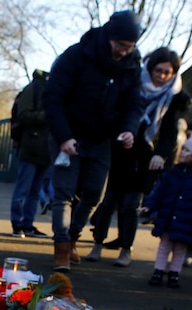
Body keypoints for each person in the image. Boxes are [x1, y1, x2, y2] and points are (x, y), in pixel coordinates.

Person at [42, 10, 144, 271]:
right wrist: (64, 137)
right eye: (120, 45)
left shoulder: (132, 64)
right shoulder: (77, 55)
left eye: (130, 47)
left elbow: (134, 103)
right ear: (109, 37)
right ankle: (61, 248)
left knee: (94, 194)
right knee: (63, 194)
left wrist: (129, 129)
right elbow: (53, 97)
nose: (124, 51)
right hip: (69, 132)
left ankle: (74, 237)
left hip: (101, 138)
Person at [84, 47, 191, 267]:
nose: (161, 76)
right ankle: (97, 244)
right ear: (150, 68)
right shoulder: (133, 85)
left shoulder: (173, 97)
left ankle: (126, 249)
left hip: (145, 156)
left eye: (167, 72)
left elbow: (170, 130)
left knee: (131, 205)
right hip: (119, 149)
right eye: (158, 70)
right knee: (108, 201)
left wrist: (161, 154)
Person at [143, 127, 192, 288]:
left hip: (188, 221)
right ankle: (159, 271)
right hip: (169, 218)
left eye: (188, 151)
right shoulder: (175, 173)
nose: (182, 152)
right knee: (164, 246)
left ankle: (174, 273)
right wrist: (149, 206)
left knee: (180, 249)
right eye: (184, 148)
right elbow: (161, 192)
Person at [9, 69, 51, 238]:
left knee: (35, 191)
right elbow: (23, 116)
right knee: (23, 189)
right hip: (30, 147)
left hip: (45, 150)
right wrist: (46, 115)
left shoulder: (53, 90)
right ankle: (17, 223)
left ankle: (27, 224)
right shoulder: (32, 89)